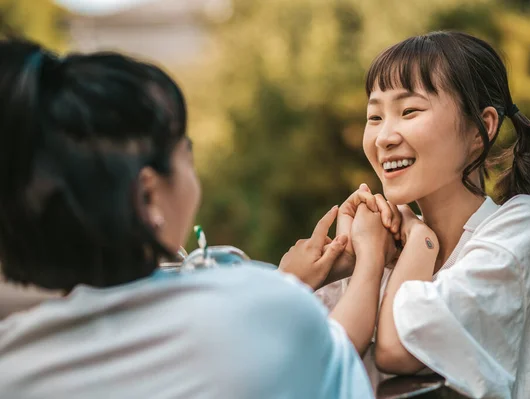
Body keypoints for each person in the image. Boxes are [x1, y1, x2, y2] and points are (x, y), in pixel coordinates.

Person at [0, 39, 375, 398]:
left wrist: (287, 282)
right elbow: (333, 354)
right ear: (148, 196)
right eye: (185, 152)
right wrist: (373, 256)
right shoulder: (267, 310)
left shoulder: (14, 366)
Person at [288, 31, 530, 398]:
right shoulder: (377, 245)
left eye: (409, 111)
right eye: (374, 116)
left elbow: (395, 349)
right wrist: (312, 276)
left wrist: (420, 242)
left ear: (480, 127)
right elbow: (299, 368)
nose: (384, 137)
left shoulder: (523, 225)